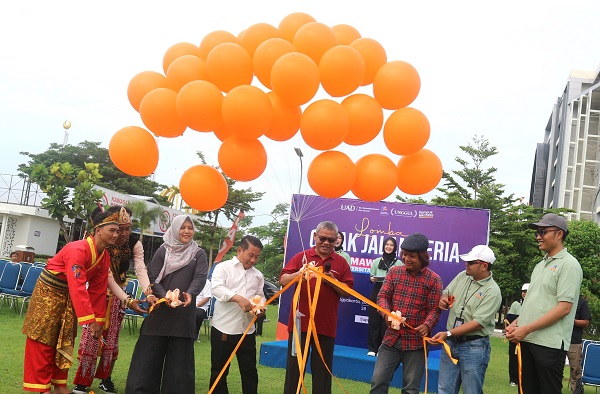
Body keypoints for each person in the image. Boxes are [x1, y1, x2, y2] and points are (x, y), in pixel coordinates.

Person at [22, 206, 121, 394]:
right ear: (98, 230)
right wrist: (89, 321)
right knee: (43, 338)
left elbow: (98, 291)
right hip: (49, 293)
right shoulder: (78, 249)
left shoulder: (104, 256)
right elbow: (78, 286)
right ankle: (40, 387)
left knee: (65, 336)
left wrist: (98, 322)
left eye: (118, 231)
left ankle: (59, 385)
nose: (116, 235)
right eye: (112, 230)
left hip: (68, 295)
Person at [125, 215, 208, 394]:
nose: (186, 231)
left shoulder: (198, 253)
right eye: (183, 227)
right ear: (175, 229)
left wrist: (190, 293)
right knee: (148, 358)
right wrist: (165, 296)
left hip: (184, 313)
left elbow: (200, 277)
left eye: (190, 228)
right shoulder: (163, 250)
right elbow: (153, 277)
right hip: (160, 310)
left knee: (180, 363)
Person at [72, 206, 150, 394]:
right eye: (118, 228)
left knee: (112, 339)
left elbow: (140, 269)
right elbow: (100, 275)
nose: (122, 233)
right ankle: (82, 382)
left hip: (119, 295)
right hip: (97, 293)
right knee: (90, 337)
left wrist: (148, 292)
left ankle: (105, 379)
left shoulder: (134, 243)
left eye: (127, 228)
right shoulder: (101, 240)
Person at [506, 213, 583, 394]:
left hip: (550, 345)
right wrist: (517, 324)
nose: (538, 236)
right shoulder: (540, 265)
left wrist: (525, 329)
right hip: (528, 340)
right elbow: (533, 302)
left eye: (543, 231)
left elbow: (564, 308)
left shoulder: (569, 264)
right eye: (537, 232)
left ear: (559, 234)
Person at [280, 221, 354, 394]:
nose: (326, 243)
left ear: (337, 240)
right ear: (315, 236)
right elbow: (283, 280)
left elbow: (348, 292)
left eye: (331, 240)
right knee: (294, 372)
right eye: (322, 238)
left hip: (325, 326)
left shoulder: (341, 262)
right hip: (300, 325)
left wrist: (332, 281)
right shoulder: (302, 257)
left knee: (322, 375)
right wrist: (300, 274)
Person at [370, 233, 443, 394]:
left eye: (412, 256)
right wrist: (387, 315)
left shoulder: (434, 280)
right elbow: (382, 296)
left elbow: (434, 309)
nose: (406, 259)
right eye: (404, 254)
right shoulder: (394, 272)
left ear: (423, 257)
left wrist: (427, 325)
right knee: (378, 382)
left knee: (410, 389)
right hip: (391, 339)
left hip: (416, 343)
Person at [430, 244, 502, 394]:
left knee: (471, 391)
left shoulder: (493, 291)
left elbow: (477, 324)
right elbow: (446, 292)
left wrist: (448, 334)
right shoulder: (463, 276)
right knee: (444, 389)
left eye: (470, 262)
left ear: (484, 266)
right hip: (451, 343)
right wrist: (443, 299)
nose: (466, 265)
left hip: (474, 346)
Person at [209, 235, 265, 394]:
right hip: (223, 329)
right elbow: (217, 289)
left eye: (257, 257)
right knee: (219, 372)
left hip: (247, 330)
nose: (254, 260)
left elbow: (260, 297)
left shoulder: (258, 275)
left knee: (249, 372)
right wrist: (238, 298)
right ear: (240, 250)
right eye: (251, 255)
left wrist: (261, 308)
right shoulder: (223, 268)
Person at [367, 236, 403, 356]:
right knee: (374, 320)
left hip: (392, 292)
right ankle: (372, 348)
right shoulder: (377, 261)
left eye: (391, 245)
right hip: (377, 289)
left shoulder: (399, 263)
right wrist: (373, 278)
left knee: (386, 322)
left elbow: (401, 279)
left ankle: (383, 348)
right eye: (387, 244)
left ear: (395, 248)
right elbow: (371, 278)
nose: (388, 247)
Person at [506, 283, 528, 386]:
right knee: (513, 357)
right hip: (514, 334)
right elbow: (510, 319)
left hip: (527, 336)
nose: (525, 293)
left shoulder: (532, 305)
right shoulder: (516, 304)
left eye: (527, 291)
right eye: (523, 291)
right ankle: (513, 379)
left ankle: (523, 379)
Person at [567, 296, 591, 394]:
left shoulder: (581, 302)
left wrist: (570, 321)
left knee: (575, 370)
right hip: (557, 339)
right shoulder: (557, 299)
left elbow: (586, 322)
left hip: (574, 341)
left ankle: (576, 391)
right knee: (554, 368)